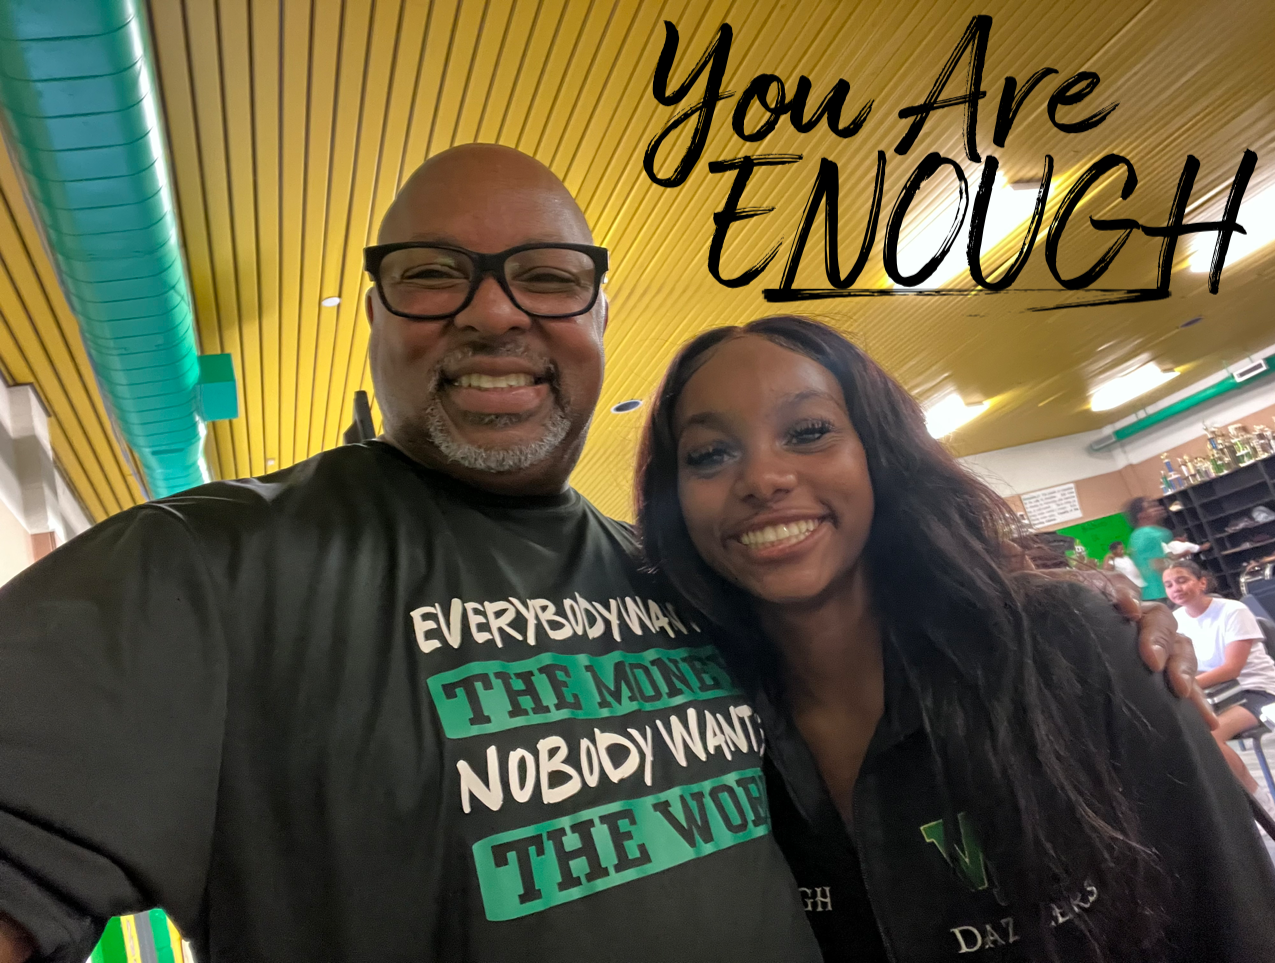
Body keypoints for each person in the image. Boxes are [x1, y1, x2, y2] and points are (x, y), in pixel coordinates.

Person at [0, 148, 1195, 963]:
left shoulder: (687, 587)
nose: (494, 312)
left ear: (598, 322)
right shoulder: (209, 568)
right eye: (431, 276)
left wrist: (1073, 630)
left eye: (547, 278)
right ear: (371, 317)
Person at [636, 316, 1275, 962]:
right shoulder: (698, 730)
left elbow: (1235, 918)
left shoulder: (1069, 643)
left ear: (880, 456)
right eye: (710, 454)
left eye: (809, 432)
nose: (762, 478)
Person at [1165, 558, 1275, 804]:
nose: (1175, 588)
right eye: (1168, 585)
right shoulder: (1175, 620)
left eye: (1182, 580)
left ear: (1202, 582)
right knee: (1182, 734)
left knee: (1209, 737)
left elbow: (1231, 669)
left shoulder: (1233, 610)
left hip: (1255, 691)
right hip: (1215, 694)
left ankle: (1262, 805)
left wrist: (1184, 685)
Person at [1124, 496, 1171, 603]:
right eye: (1151, 507)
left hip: (1156, 593)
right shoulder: (1148, 534)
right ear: (1141, 515)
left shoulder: (1139, 534)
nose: (1158, 508)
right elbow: (1159, 564)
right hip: (1162, 593)